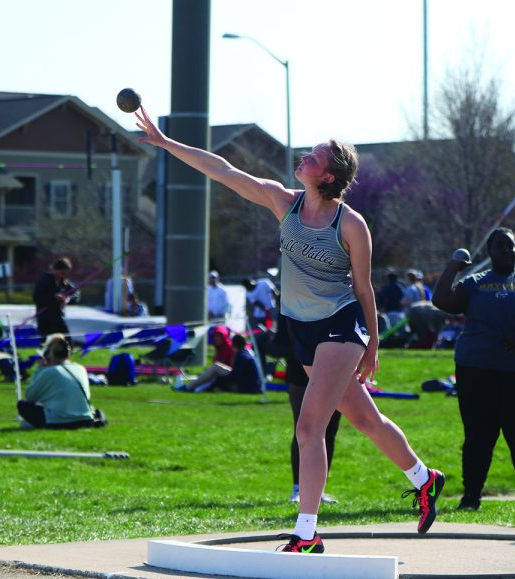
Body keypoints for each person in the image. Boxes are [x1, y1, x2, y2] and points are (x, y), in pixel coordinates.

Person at [136, 108, 444, 554]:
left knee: (308, 428)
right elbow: (222, 170)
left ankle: (307, 532)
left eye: (313, 157)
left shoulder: (352, 225)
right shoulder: (284, 202)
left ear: (330, 175)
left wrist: (373, 346)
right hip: (301, 328)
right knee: (364, 419)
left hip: (340, 327)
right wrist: (166, 144)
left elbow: (364, 289)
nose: (303, 157)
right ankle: (424, 478)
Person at [433, 229, 515, 511]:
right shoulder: (475, 282)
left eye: (511, 247)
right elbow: (441, 300)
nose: (506, 251)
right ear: (490, 252)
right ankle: (471, 498)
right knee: (478, 436)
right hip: (476, 370)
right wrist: (453, 266)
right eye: (499, 247)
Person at [18, 334, 106, 429]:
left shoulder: (49, 372)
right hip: (85, 419)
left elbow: (30, 396)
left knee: (23, 405)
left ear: (49, 355)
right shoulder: (81, 369)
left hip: (59, 421)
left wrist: (40, 368)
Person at [33, 258, 80, 339]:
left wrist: (69, 299)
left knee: (67, 343)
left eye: (66, 273)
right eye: (62, 273)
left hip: (59, 318)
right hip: (45, 319)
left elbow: (76, 294)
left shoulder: (65, 283)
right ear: (55, 270)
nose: (63, 276)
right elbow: (37, 297)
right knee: (48, 344)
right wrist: (54, 297)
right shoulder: (44, 281)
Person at [178, 325, 234, 392]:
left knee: (215, 367)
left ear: (224, 336)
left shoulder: (231, 348)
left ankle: (188, 388)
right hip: (223, 377)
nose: (217, 338)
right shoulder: (219, 349)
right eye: (215, 336)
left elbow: (233, 366)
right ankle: (192, 387)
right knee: (212, 383)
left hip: (232, 377)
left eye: (219, 336)